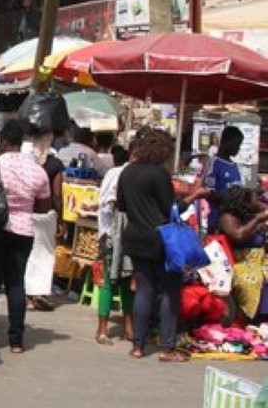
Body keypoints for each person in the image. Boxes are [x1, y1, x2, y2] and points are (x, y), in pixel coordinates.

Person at [0, 118, 51, 354]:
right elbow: (44, 207)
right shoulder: (37, 170)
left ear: (4, 141)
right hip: (24, 231)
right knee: (16, 284)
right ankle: (16, 341)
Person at [117, 129, 186, 362]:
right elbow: (170, 209)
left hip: (134, 236)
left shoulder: (127, 172)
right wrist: (189, 199)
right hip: (160, 238)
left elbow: (122, 206)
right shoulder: (159, 175)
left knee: (144, 289)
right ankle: (167, 348)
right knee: (168, 292)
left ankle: (138, 345)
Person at [23, 125, 66, 312]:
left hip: (25, 212)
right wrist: (61, 219)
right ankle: (39, 292)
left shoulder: (22, 161)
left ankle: (25, 293)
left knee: (26, 253)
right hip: (45, 214)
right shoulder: (55, 164)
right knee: (44, 254)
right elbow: (57, 194)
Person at [95, 144, 134, 345]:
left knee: (128, 281)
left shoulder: (134, 173)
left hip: (130, 235)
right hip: (112, 233)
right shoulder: (116, 174)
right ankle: (102, 329)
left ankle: (129, 327)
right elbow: (105, 204)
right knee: (110, 280)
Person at [219, 185, 268, 324]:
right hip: (239, 261)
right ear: (244, 202)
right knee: (251, 280)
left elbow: (261, 207)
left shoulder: (249, 215)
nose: (256, 201)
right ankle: (248, 320)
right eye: (253, 199)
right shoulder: (228, 218)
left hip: (259, 260)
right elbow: (238, 235)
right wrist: (258, 220)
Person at [203, 125, 244, 233]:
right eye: (236, 145)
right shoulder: (214, 164)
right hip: (217, 221)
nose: (238, 148)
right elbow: (208, 192)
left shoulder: (234, 166)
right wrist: (229, 200)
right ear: (226, 142)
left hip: (234, 221)